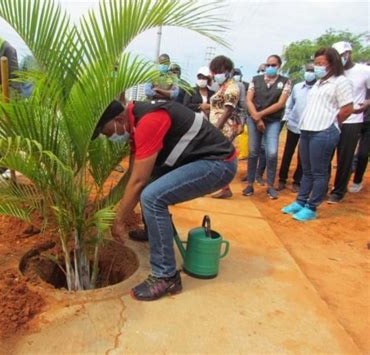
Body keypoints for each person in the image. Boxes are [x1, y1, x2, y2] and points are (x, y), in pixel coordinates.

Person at [92, 99, 237, 301]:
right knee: (148, 184)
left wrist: (118, 221)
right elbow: (134, 174)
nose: (108, 137)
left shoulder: (149, 121)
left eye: (106, 132)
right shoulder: (135, 124)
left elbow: (139, 182)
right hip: (198, 160)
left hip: (217, 165)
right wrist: (106, 205)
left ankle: (166, 276)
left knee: (151, 196)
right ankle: (155, 231)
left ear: (118, 119)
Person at [282, 47, 353, 221]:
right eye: (316, 63)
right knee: (306, 170)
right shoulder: (319, 83)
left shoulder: (340, 82)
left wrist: (332, 122)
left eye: (322, 63)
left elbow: (347, 108)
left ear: (333, 63)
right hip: (307, 129)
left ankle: (311, 207)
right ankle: (300, 202)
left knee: (319, 172)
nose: (318, 66)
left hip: (324, 130)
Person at [243, 54, 291, 199]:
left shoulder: (285, 82)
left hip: (273, 121)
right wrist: (257, 118)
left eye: (274, 65)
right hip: (254, 119)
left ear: (279, 66)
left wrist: (260, 115)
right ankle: (250, 183)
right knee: (253, 152)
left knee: (271, 153)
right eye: (268, 65)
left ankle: (270, 185)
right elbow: (248, 100)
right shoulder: (255, 80)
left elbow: (280, 104)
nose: (270, 68)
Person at [327, 41, 370, 203]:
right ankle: (322, 187)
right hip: (332, 120)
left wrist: (367, 103)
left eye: (342, 56)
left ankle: (338, 191)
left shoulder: (364, 71)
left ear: (349, 53)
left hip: (353, 120)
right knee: (326, 155)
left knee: (344, 158)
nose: (340, 59)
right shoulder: (333, 73)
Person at [277, 63, 317, 192]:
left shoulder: (318, 89)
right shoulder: (297, 87)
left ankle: (297, 181)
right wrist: (286, 119)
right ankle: (282, 179)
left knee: (302, 155)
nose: (309, 73)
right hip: (293, 124)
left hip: (309, 127)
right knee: (288, 152)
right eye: (308, 70)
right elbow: (290, 105)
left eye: (312, 70)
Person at [208, 56, 241, 199]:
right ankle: (222, 187)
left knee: (221, 158)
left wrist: (216, 128)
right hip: (219, 126)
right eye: (214, 72)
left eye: (219, 71)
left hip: (224, 128)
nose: (216, 75)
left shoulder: (232, 88)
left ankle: (224, 188)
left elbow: (228, 110)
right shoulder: (223, 87)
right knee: (218, 157)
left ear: (227, 71)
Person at [349, 87, 370, 193]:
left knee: (363, 153)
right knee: (347, 150)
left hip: (368, 124)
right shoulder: (361, 85)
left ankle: (357, 181)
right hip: (355, 120)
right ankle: (352, 164)